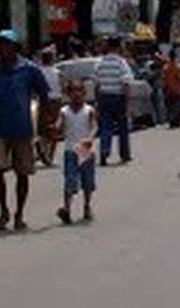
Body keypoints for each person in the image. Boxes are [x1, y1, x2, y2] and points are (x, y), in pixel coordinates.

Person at [0, 29, 52, 231]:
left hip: (22, 128)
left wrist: (45, 123)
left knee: (23, 173)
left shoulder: (29, 69)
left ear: (15, 47)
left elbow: (44, 94)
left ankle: (19, 213)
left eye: (7, 44)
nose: (3, 48)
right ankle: (3, 211)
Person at [56, 80, 97, 224]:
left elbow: (93, 126)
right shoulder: (64, 111)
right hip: (70, 150)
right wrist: (55, 129)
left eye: (79, 90)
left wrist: (90, 137)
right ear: (68, 94)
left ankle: (87, 206)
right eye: (73, 91)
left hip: (84, 148)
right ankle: (67, 209)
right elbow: (59, 125)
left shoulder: (89, 110)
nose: (76, 94)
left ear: (84, 93)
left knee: (87, 181)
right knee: (70, 180)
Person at [94, 36, 133, 166]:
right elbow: (126, 83)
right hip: (118, 97)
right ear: (118, 47)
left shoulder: (100, 62)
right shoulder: (121, 62)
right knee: (123, 127)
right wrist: (127, 101)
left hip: (104, 97)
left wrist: (97, 101)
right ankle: (124, 154)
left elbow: (96, 83)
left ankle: (104, 153)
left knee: (106, 126)